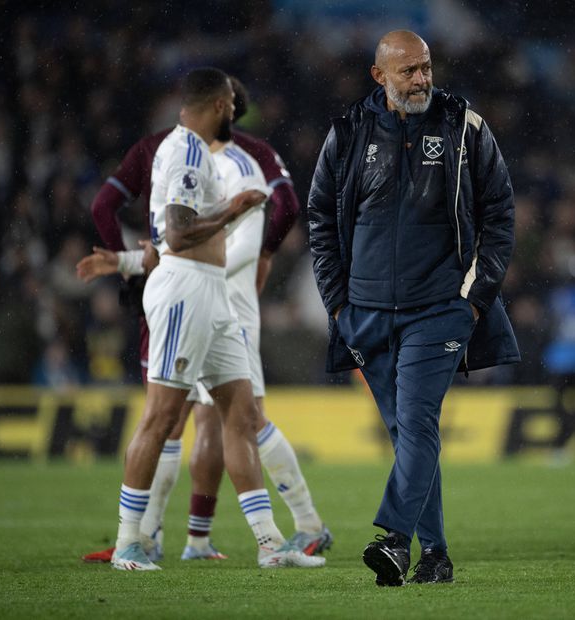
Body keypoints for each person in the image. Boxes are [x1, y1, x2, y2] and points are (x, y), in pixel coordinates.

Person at [78, 77, 330, 563]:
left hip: (213, 295)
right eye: (233, 104)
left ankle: (270, 545)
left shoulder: (189, 151)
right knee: (162, 417)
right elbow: (179, 232)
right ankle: (133, 538)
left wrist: (128, 262)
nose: (237, 112)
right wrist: (232, 211)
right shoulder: (189, 152)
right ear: (219, 105)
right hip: (186, 293)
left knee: (240, 416)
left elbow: (166, 233)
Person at [308, 30, 519, 585]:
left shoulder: (463, 125)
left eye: (426, 67)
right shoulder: (349, 131)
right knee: (407, 435)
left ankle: (396, 541)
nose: (423, 79)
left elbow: (500, 211)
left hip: (440, 310)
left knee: (419, 421)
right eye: (409, 71)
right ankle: (437, 556)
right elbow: (320, 217)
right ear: (379, 76)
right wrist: (337, 306)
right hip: (366, 315)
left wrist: (474, 300)